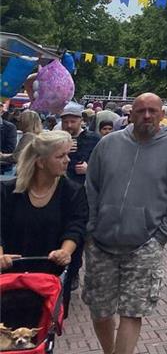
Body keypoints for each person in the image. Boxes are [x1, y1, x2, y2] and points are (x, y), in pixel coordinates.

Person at [84, 92, 167, 354]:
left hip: (144, 244)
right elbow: (91, 188)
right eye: (141, 110)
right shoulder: (108, 144)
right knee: (100, 310)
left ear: (162, 115)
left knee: (132, 312)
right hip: (101, 242)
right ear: (130, 113)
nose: (146, 115)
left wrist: (160, 237)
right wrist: (91, 228)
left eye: (152, 111)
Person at [0, 130, 89, 313]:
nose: (67, 160)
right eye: (60, 156)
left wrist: (65, 252)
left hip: (50, 279)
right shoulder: (8, 191)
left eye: (68, 155)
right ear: (41, 162)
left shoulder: (73, 192)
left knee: (44, 333)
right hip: (9, 278)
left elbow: (76, 226)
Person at [62, 101, 101, 187]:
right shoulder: (57, 139)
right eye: (65, 122)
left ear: (81, 121)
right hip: (62, 187)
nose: (69, 125)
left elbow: (103, 166)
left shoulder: (94, 139)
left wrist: (89, 170)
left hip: (84, 187)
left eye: (73, 122)